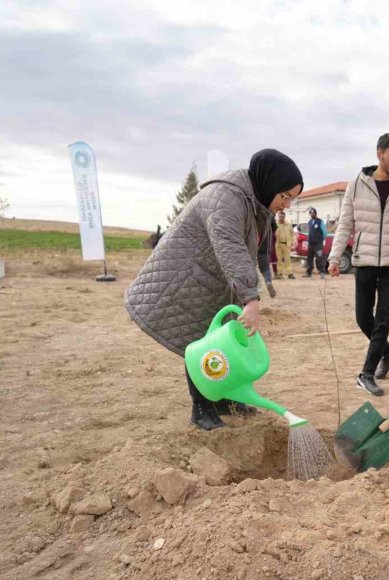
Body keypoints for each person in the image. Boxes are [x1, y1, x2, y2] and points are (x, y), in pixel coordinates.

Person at [125, 149, 303, 430]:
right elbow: (229, 246)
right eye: (285, 196)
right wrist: (250, 297)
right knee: (201, 342)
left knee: (223, 339)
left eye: (293, 198)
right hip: (184, 278)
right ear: (269, 183)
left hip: (211, 278)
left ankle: (224, 400)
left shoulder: (252, 201)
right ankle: (202, 409)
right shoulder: (225, 198)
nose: (287, 204)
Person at [328, 133, 389, 396]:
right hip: (365, 259)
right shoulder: (357, 184)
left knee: (383, 319)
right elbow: (345, 223)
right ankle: (388, 352)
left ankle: (366, 373)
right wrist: (335, 258)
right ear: (379, 154)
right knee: (362, 317)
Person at [303, 207, 328, 278]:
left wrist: (320, 239)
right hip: (311, 243)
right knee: (309, 258)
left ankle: (322, 272)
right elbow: (309, 232)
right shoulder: (309, 222)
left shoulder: (320, 222)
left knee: (319, 257)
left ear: (316, 214)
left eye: (313, 213)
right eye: (311, 213)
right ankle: (308, 272)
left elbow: (325, 233)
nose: (312, 214)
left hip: (318, 244)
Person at [257, 218, 278, 297]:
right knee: (265, 268)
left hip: (253, 243)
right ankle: (268, 281)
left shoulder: (254, 212)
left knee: (250, 267)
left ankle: (254, 288)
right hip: (266, 246)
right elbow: (275, 228)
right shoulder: (269, 215)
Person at [275, 211, 295, 279]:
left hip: (286, 245)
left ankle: (290, 274)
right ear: (278, 217)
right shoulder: (275, 224)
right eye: (280, 216)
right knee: (279, 259)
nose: (281, 218)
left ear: (284, 217)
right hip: (278, 244)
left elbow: (292, 234)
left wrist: (293, 242)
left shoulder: (288, 224)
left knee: (287, 259)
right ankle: (280, 273)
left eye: (282, 217)